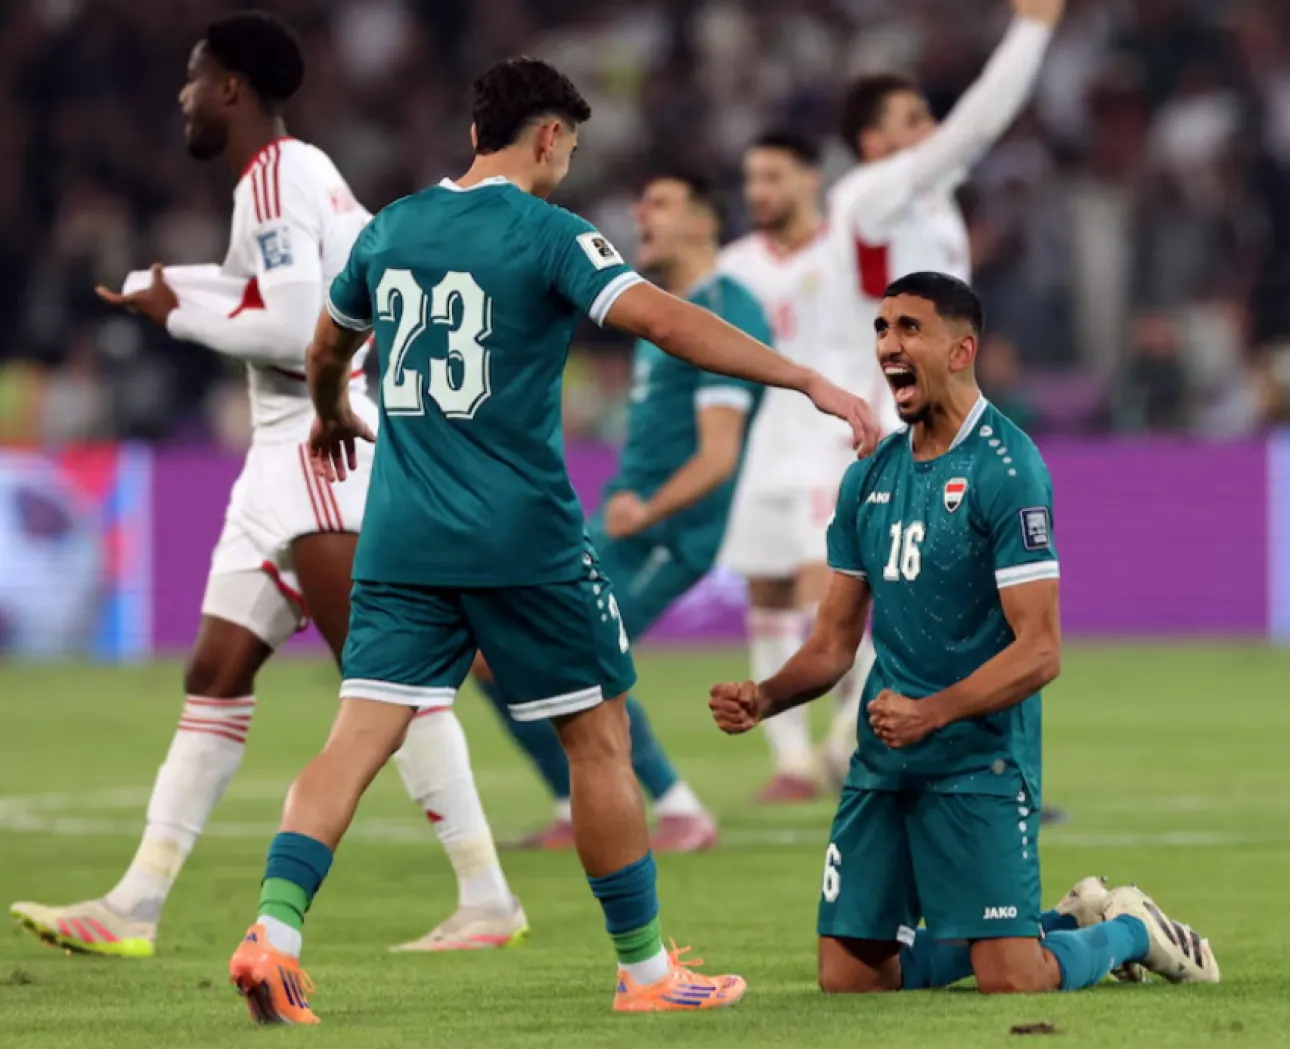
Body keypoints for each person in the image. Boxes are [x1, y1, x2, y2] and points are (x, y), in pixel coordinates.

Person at [226, 57, 876, 1024]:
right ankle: (646, 972)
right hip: (522, 541)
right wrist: (805, 378)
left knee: (355, 738)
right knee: (599, 738)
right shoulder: (550, 233)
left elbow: (326, 347)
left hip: (402, 539)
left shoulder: (391, 228)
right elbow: (665, 321)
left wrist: (328, 411)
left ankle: (273, 936)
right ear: (547, 136)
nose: (568, 160)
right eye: (570, 143)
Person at [9, 11, 523, 958]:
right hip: (278, 457)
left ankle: (487, 896)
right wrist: (173, 282)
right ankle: (135, 903)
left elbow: (294, 330)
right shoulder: (292, 174)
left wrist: (177, 316)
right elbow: (262, 290)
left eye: (194, 80)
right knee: (216, 672)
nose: (183, 98)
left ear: (232, 89)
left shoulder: (279, 178)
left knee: (383, 677)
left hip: (322, 450)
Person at [710, 273, 1219, 995]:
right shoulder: (868, 478)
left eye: (909, 328)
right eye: (882, 329)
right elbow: (831, 646)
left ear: (961, 350)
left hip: (980, 759)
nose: (889, 345)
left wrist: (931, 712)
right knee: (850, 978)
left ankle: (1132, 928)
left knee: (1012, 979)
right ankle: (1061, 922)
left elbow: (1040, 649)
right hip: (886, 759)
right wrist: (764, 697)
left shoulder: (1007, 468)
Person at [814, 0, 1069, 821]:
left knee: (968, 603)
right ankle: (904, 753)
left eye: (929, 116)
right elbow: (976, 127)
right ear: (872, 142)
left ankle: (872, 744)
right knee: (948, 605)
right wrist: (1032, 30)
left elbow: (969, 145)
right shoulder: (872, 194)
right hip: (899, 429)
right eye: (912, 120)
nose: (931, 130)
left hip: (945, 420)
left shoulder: (930, 201)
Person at [476, 170, 770, 852]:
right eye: (641, 200)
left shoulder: (722, 310)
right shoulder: (660, 310)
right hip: (620, 522)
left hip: (667, 533)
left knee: (581, 654)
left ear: (704, 223)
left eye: (661, 202)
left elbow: (718, 455)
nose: (641, 213)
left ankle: (681, 811)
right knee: (491, 651)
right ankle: (571, 803)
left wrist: (650, 511)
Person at [717, 131, 867, 803]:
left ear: (811, 178)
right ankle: (793, 762)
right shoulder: (733, 266)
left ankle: (853, 741)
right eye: (752, 178)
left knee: (826, 598)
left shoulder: (848, 253)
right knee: (768, 596)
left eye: (773, 176)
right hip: (760, 450)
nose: (759, 191)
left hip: (829, 445)